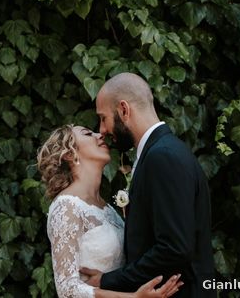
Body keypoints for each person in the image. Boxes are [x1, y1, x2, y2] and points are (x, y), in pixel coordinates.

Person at [80, 73, 215, 298]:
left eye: (103, 118)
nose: (102, 129)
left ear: (124, 110)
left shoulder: (162, 157)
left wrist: (108, 280)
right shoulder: (162, 151)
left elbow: (174, 248)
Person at [37, 124, 183, 298]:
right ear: (69, 154)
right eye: (88, 134)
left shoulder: (106, 208)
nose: (99, 135)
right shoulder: (66, 206)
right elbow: (67, 290)